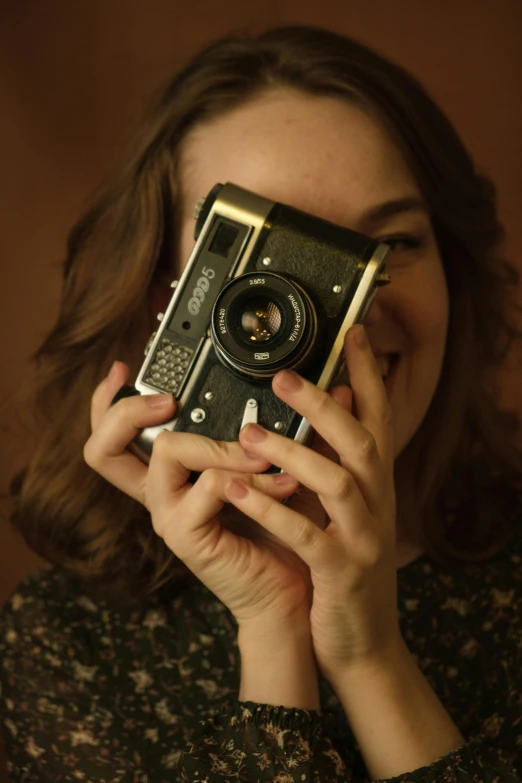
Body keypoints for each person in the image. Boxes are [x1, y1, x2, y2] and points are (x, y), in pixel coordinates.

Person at [1, 24, 521, 783]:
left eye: (392, 244)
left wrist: (371, 656)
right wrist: (273, 621)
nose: (343, 312)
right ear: (167, 294)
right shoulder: (63, 640)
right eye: (271, 255)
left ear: (455, 270)